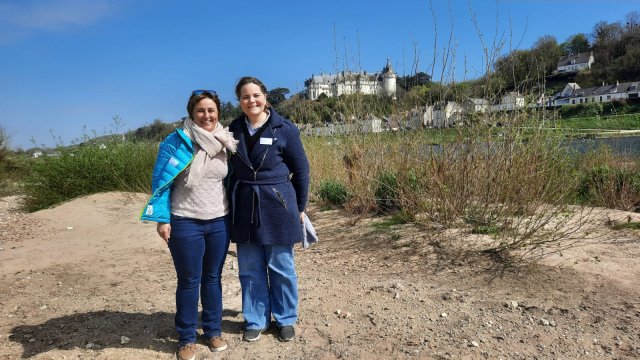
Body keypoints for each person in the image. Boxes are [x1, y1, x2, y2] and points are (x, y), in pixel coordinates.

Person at [140, 90, 238, 360]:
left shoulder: (227, 141)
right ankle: (186, 337)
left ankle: (213, 330)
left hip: (219, 219)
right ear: (191, 113)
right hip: (185, 221)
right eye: (201, 111)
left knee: (213, 278)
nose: (207, 116)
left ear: (218, 112)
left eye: (211, 110)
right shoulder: (176, 141)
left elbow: (232, 182)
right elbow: (160, 182)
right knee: (188, 280)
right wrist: (162, 219)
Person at [227, 76, 310, 343]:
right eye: (245, 97)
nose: (251, 100)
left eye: (256, 95)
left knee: (281, 266)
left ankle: (285, 318)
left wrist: (300, 207)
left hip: (278, 204)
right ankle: (256, 319)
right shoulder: (233, 130)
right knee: (249, 267)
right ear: (239, 102)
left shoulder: (284, 128)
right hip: (244, 206)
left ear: (265, 97)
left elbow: (302, 170)